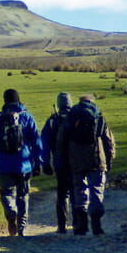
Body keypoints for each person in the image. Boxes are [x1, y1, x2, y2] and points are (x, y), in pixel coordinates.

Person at [0, 88, 43, 237]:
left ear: (5, 100)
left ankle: (11, 211)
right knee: (23, 195)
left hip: (3, 165)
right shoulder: (27, 117)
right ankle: (22, 227)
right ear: (18, 100)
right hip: (24, 165)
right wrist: (38, 162)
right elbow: (36, 141)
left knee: (7, 193)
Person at [57, 94, 116, 235]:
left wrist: (63, 158)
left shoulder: (72, 115)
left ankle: (81, 224)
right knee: (96, 189)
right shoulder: (98, 114)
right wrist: (110, 158)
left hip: (76, 159)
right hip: (96, 158)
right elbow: (108, 139)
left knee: (79, 189)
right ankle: (96, 224)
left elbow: (61, 139)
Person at [40, 92, 74, 233]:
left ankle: (62, 226)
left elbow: (44, 142)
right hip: (76, 161)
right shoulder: (77, 117)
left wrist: (46, 163)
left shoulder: (53, 120)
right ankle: (78, 224)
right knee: (75, 192)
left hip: (59, 161)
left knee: (62, 194)